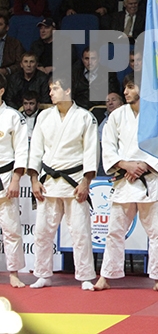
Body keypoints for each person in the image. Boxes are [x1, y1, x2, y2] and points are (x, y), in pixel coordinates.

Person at [94, 74, 158, 293]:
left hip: (148, 180)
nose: (125, 92)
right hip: (124, 180)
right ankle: (106, 276)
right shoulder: (117, 115)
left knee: (156, 233)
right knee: (114, 231)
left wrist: (144, 165)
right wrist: (125, 165)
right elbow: (108, 145)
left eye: (130, 87)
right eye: (125, 88)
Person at [27, 75, 97, 291]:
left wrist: (86, 182)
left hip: (74, 182)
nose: (50, 93)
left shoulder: (85, 117)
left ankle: (85, 276)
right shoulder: (44, 117)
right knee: (42, 232)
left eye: (55, 89)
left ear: (67, 91)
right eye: (50, 89)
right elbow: (36, 150)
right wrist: (34, 179)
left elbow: (91, 152)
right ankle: (42, 274)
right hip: (48, 182)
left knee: (80, 232)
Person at [0, 74, 31, 288]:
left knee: (11, 228)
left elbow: (21, 150)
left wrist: (16, 178)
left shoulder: (13, 116)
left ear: (1, 91)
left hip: (5, 176)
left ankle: (13, 273)